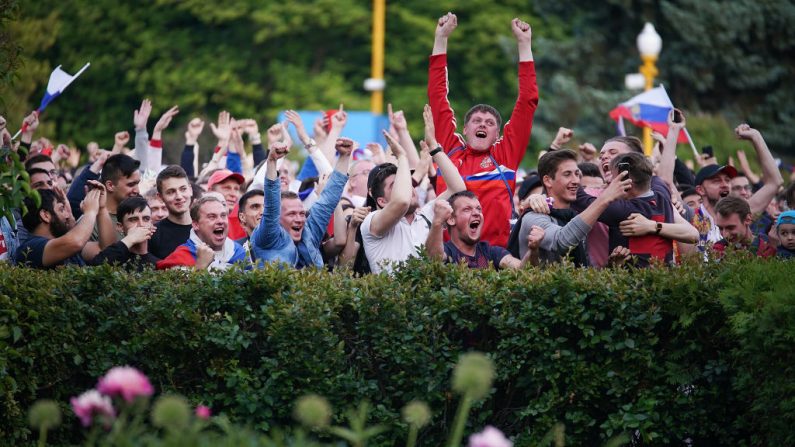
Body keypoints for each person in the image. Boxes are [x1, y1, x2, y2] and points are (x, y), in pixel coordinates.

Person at [428, 13, 538, 247]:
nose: (482, 125)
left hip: (496, 263)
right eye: (476, 121)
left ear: (497, 134)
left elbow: (528, 101)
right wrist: (441, 39)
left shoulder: (505, 154)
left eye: (489, 123)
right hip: (448, 259)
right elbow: (437, 97)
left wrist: (524, 44)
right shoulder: (449, 150)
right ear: (465, 129)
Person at [360, 105, 467, 274]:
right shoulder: (371, 222)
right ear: (381, 201)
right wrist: (402, 157)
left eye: (407, 183)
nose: (407, 188)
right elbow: (401, 202)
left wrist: (434, 147)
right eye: (397, 186)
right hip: (393, 300)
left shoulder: (426, 215)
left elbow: (458, 189)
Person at [513, 150, 632, 266]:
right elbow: (562, 242)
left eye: (577, 174)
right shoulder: (534, 216)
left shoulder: (573, 215)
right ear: (548, 181)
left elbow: (581, 270)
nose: (576, 181)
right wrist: (605, 198)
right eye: (567, 174)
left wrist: (614, 265)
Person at [248, 136, 352, 269]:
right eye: (291, 214)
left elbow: (328, 199)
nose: (299, 219)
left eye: (302, 213)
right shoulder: (267, 235)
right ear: (277, 218)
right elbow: (272, 204)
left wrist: (345, 156)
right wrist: (272, 161)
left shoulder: (309, 231)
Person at [691, 124, 783, 249]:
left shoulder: (743, 211)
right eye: (716, 181)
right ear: (700, 190)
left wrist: (756, 137)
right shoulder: (689, 216)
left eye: (727, 180)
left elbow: (775, 182)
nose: (725, 185)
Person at [427, 191, 545, 270]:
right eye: (467, 209)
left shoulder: (491, 252)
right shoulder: (447, 251)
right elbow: (434, 259)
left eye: (478, 209)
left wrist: (533, 250)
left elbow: (523, 270)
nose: (476, 213)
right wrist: (437, 221)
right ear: (451, 219)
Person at [15, 184, 108, 268]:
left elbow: (105, 250)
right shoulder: (31, 248)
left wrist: (101, 209)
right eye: (61, 209)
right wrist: (90, 211)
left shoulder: (64, 242)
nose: (67, 215)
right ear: (45, 215)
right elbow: (76, 242)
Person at [156, 195, 246, 270]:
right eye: (212, 217)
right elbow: (175, 291)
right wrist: (200, 267)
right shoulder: (181, 257)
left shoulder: (239, 252)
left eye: (223, 216)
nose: (220, 221)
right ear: (195, 224)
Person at [90, 197, 158, 270]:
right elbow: (93, 269)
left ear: (151, 223)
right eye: (133, 219)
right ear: (120, 226)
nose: (141, 224)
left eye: (146, 219)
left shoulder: (159, 264)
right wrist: (130, 239)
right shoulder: (115, 259)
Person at [149, 165, 194, 259]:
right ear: (160, 197)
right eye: (171, 192)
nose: (179, 196)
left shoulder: (206, 228)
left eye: (183, 189)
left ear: (190, 190)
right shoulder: (153, 235)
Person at [711, 196, 776, 258]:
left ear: (747, 219)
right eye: (721, 228)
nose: (725, 235)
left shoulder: (768, 245)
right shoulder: (718, 249)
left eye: (730, 227)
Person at [206, 169, 246, 240]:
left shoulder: (243, 221)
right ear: (210, 191)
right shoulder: (198, 221)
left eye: (236, 189)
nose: (233, 194)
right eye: (227, 188)